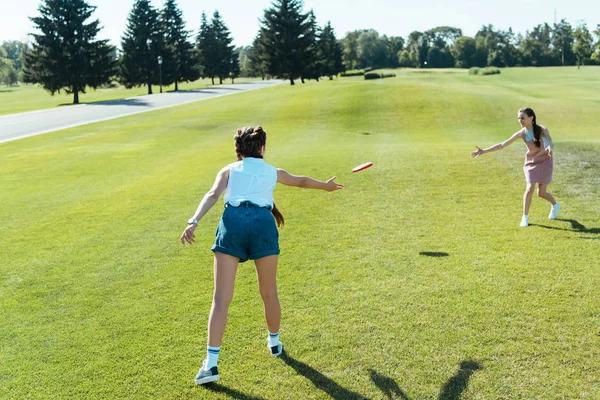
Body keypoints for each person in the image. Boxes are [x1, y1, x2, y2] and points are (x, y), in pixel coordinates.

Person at [180, 126, 344, 385]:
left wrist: (193, 221)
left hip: (232, 222)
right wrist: (326, 186)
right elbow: (301, 181)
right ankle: (275, 342)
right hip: (262, 223)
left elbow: (213, 195)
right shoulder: (272, 171)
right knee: (269, 292)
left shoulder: (229, 170)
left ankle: (211, 366)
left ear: (239, 149)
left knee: (221, 299)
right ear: (261, 148)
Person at [471, 107, 560, 227]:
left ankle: (555, 205)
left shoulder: (542, 129)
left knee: (541, 193)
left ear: (531, 118)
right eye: (518, 118)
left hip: (545, 162)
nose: (520, 120)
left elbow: (550, 141)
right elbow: (502, 144)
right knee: (530, 188)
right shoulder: (521, 133)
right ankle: (525, 218)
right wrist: (484, 151)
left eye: (522, 117)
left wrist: (549, 147)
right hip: (531, 163)